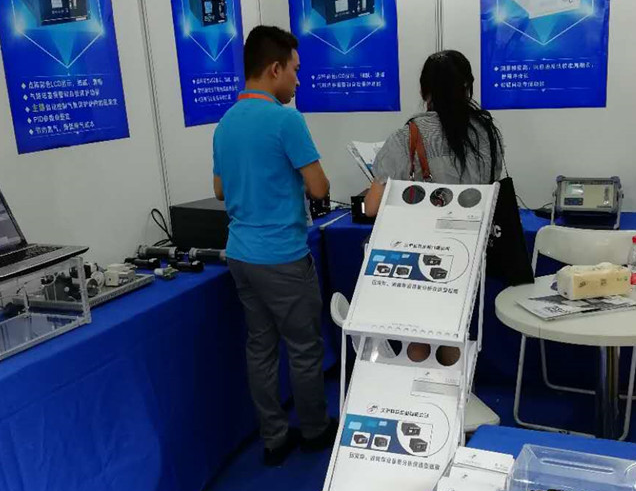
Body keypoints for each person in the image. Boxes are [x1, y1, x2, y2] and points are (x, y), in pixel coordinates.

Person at [213, 25, 336, 466]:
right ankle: (315, 430)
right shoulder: (287, 120)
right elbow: (319, 188)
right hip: (282, 255)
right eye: (295, 71)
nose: (298, 81)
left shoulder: (225, 123)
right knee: (304, 348)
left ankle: (274, 438)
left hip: (241, 255)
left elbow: (220, 190)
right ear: (274, 69)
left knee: (260, 348)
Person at [363, 50, 504, 217]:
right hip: (477, 229)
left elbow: (371, 209)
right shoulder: (488, 133)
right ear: (467, 87)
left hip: (425, 230)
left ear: (423, 91)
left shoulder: (405, 138)